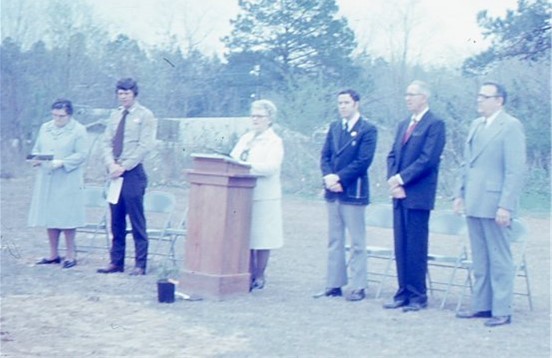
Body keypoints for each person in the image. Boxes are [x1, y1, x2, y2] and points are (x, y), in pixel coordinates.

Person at [454, 82, 526, 327]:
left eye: (485, 97)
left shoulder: (511, 126)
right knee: (480, 258)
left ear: (499, 100)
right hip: (474, 200)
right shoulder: (476, 125)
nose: (479, 101)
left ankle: (502, 309)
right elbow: (467, 164)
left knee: (500, 257)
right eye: (479, 96)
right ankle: (482, 305)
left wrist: (506, 205)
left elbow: (515, 171)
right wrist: (459, 193)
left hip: (495, 202)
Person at [384, 80, 446, 312]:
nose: (408, 98)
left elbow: (427, 160)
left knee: (416, 246)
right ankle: (402, 292)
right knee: (400, 245)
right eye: (406, 94)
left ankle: (418, 295)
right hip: (398, 194)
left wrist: (402, 180)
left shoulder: (435, 124)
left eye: (412, 94)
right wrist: (393, 180)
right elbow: (392, 155)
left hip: (418, 194)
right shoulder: (403, 124)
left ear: (424, 97)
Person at [317, 89, 378, 301]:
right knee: (334, 239)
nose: (342, 106)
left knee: (357, 241)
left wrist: (340, 179)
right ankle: (334, 284)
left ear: (356, 104)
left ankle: (358, 285)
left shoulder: (367, 129)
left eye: (346, 102)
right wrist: (328, 177)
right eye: (340, 103)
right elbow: (325, 156)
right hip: (332, 192)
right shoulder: (334, 127)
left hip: (353, 191)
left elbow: (363, 161)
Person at [97, 78, 157, 276]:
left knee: (137, 220)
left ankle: (140, 264)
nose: (123, 97)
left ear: (134, 94)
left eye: (127, 93)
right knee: (116, 220)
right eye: (120, 93)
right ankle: (116, 262)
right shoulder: (115, 115)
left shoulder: (145, 115)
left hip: (132, 174)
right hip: (115, 172)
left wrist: (124, 166)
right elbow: (106, 142)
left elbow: (145, 146)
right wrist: (111, 164)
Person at [230, 99, 284, 291]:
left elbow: (271, 167)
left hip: (264, 195)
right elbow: (233, 158)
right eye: (253, 115)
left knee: (262, 237)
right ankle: (246, 272)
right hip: (243, 194)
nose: (255, 119)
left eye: (259, 116)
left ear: (269, 119)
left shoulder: (274, 141)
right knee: (247, 236)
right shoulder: (245, 138)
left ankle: (259, 275)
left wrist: (247, 169)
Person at [28, 99, 88, 269]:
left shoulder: (78, 130)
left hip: (67, 178)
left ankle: (70, 255)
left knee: (67, 217)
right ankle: (53, 254)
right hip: (47, 178)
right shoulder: (45, 128)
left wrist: (63, 162)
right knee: (50, 215)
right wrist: (36, 158)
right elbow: (37, 148)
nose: (57, 119)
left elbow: (82, 154)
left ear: (69, 115)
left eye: (61, 116)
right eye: (54, 115)